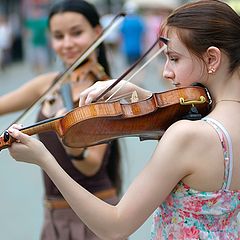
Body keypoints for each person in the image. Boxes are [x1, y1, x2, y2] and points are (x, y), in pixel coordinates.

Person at [6, 0, 240, 239]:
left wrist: (45, 159)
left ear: (212, 59)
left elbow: (115, 227)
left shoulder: (188, 136)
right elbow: (185, 110)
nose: (166, 71)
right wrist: (142, 95)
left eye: (174, 58)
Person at [0, 1, 122, 239]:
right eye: (58, 36)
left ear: (97, 33)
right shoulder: (50, 84)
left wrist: (67, 136)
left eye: (76, 33)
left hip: (93, 216)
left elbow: (91, 165)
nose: (66, 43)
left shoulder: (105, 93)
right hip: (53, 216)